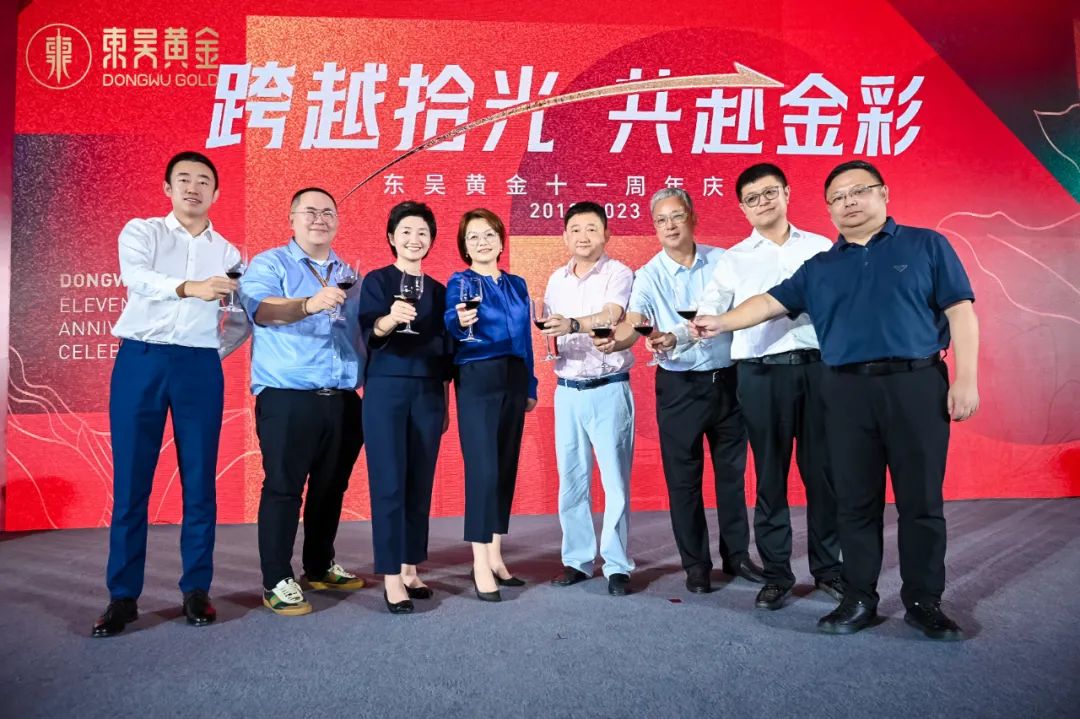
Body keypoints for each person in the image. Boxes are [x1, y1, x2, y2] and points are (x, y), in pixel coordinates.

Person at [693, 160, 978, 639]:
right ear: (828, 209)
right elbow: (769, 302)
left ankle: (923, 602)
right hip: (844, 391)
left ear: (883, 194)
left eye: (858, 191)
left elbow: (961, 312)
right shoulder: (822, 266)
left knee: (921, 502)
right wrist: (719, 322)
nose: (848, 202)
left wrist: (966, 379)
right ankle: (859, 597)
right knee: (854, 502)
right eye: (837, 197)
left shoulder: (926, 245)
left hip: (916, 385)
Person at [93, 151, 249, 637]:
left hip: (197, 367)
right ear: (167, 188)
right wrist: (189, 287)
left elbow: (239, 317)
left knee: (200, 481)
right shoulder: (142, 232)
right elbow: (136, 278)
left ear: (216, 193)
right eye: (184, 179)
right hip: (141, 360)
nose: (193, 188)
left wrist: (207, 352)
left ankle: (196, 589)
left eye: (203, 181)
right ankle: (122, 596)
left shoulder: (229, 254)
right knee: (131, 482)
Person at [597, 187, 764, 594]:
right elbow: (636, 320)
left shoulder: (723, 261)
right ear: (654, 228)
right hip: (680, 388)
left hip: (729, 381)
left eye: (676, 216)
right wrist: (619, 340)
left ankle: (737, 556)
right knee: (683, 480)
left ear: (692, 218)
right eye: (661, 221)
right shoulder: (649, 274)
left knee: (732, 476)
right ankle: (696, 565)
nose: (669, 226)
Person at [696, 163, 841, 611]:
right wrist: (683, 332)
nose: (762, 202)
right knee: (770, 476)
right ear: (742, 208)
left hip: (819, 370)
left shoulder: (821, 248)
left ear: (787, 193)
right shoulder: (733, 259)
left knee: (824, 474)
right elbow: (709, 311)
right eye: (752, 198)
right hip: (760, 375)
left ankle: (828, 569)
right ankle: (777, 573)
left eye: (769, 193)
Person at [239, 187, 366, 617]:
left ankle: (319, 564)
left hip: (343, 398)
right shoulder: (271, 263)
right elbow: (261, 309)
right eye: (309, 211)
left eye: (327, 212)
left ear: (338, 221)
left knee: (331, 487)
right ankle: (276, 578)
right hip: (288, 396)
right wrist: (309, 304)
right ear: (291, 219)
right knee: (283, 487)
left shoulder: (349, 273)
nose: (319, 219)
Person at [358, 201, 452, 614]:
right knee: (389, 482)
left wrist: (445, 402)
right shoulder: (377, 281)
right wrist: (391, 319)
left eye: (423, 232)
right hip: (387, 389)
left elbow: (446, 351)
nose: (415, 239)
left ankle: (411, 567)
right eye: (407, 231)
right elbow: (370, 332)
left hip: (429, 391)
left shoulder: (441, 291)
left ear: (431, 240)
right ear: (391, 237)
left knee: (419, 482)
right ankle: (391, 576)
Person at [539, 202, 635, 596]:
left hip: (608, 387)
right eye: (575, 229)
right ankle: (577, 560)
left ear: (606, 234)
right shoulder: (556, 279)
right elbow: (550, 326)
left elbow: (612, 315)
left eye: (592, 228)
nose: (583, 236)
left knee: (615, 483)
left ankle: (617, 565)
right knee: (572, 481)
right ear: (564, 235)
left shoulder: (618, 273)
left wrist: (574, 324)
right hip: (567, 392)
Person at [444, 208, 537, 602]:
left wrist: (530, 383)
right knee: (482, 471)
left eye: (488, 235)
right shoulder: (460, 281)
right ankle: (479, 562)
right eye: (473, 237)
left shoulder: (517, 284)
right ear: (465, 247)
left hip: (514, 376)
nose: (482, 242)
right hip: (477, 376)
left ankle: (496, 556)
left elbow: (526, 339)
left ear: (501, 241)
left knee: (504, 468)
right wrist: (459, 320)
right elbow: (451, 321)